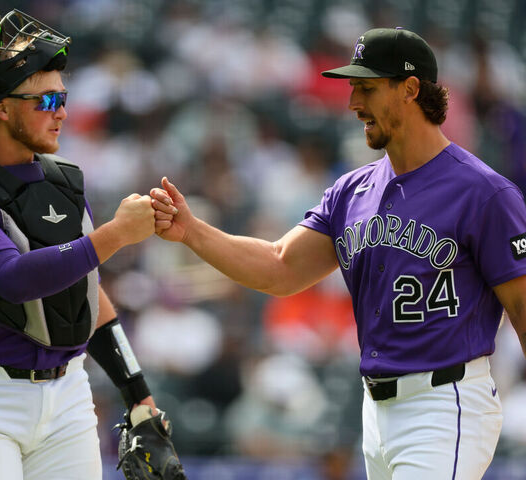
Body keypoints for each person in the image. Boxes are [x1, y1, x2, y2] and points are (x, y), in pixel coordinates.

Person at [151, 27, 526, 479]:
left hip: (446, 403)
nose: (352, 103)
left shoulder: (483, 192)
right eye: (353, 88)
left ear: (410, 89)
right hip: (376, 412)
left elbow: (522, 307)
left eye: (366, 88)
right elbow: (279, 267)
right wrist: (191, 231)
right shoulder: (352, 191)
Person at [0, 9, 180, 480]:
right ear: (1, 107)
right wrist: (116, 233)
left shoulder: (64, 182)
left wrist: (137, 394)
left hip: (68, 397)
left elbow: (85, 291)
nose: (61, 110)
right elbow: (12, 280)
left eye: (63, 96)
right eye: (46, 99)